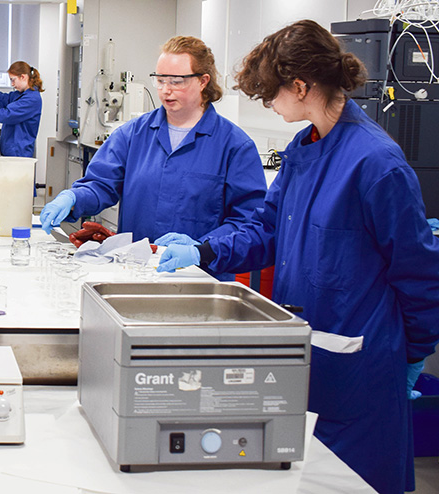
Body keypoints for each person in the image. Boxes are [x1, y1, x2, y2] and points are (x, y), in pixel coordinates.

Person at [156, 20, 439, 494]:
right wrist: (205, 249)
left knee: (353, 483)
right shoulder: (303, 148)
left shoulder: (376, 163)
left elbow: (419, 272)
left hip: (359, 369)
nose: (268, 103)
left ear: (301, 86)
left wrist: (415, 352)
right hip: (300, 356)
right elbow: (267, 228)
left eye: (271, 94)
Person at [40, 36, 266, 280]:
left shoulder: (234, 146)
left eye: (176, 81)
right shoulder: (132, 134)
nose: (166, 90)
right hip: (136, 273)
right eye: (160, 80)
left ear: (203, 81)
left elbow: (248, 222)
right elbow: (100, 184)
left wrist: (202, 247)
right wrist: (74, 198)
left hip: (201, 278)